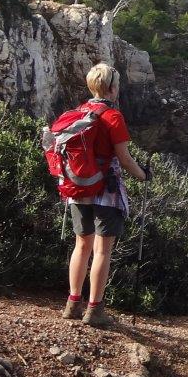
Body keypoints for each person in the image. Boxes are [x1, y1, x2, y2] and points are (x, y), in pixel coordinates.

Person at [62, 62, 148, 328]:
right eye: (117, 85)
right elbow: (124, 158)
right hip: (105, 191)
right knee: (102, 250)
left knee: (81, 245)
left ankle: (72, 304)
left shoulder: (79, 112)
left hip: (78, 187)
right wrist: (143, 175)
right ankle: (95, 309)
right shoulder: (113, 117)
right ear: (112, 88)